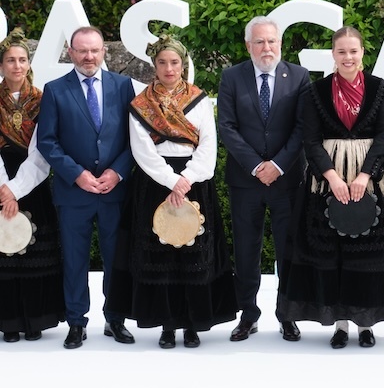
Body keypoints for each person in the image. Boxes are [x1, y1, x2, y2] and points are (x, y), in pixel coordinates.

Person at [278, 26, 384, 348]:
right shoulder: (315, 92)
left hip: (371, 180)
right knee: (333, 252)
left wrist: (364, 176)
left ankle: (365, 324)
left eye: (353, 51)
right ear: (333, 54)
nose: (348, 57)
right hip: (325, 183)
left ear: (362, 53)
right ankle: (341, 325)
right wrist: (332, 177)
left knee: (369, 252)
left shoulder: (379, 88)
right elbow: (311, 140)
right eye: (341, 51)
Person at [105, 35, 237, 348]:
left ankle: (192, 323)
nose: (169, 68)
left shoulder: (199, 99)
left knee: (193, 253)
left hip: (194, 182)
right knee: (161, 253)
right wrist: (170, 181)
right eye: (163, 62)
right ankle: (167, 324)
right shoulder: (141, 104)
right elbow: (141, 150)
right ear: (155, 65)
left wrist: (186, 179)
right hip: (155, 183)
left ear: (183, 64)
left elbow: (208, 145)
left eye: (174, 62)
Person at [36, 26, 136, 349]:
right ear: (71, 52)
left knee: (115, 258)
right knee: (74, 260)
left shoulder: (123, 87)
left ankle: (115, 318)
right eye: (82, 51)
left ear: (104, 51)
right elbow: (47, 141)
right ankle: (76, 322)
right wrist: (76, 174)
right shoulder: (55, 90)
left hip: (113, 191)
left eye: (94, 50)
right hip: (73, 192)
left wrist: (117, 172)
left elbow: (135, 138)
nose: (89, 56)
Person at [218, 16, 309, 342]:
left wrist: (278, 165)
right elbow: (227, 127)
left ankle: (288, 315)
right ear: (248, 46)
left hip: (287, 181)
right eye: (259, 42)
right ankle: (248, 315)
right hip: (246, 181)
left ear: (280, 43)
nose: (266, 47)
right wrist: (257, 166)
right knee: (246, 251)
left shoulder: (299, 76)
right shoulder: (232, 77)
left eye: (271, 41)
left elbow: (302, 127)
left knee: (288, 250)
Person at [0, 29, 64, 342]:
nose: (17, 65)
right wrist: (4, 190)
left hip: (33, 184)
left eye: (22, 60)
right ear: (1, 65)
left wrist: (16, 190)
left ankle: (36, 318)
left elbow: (42, 152)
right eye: (10, 60)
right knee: (4, 253)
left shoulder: (42, 101)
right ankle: (9, 321)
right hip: (1, 182)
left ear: (29, 64)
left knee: (34, 251)